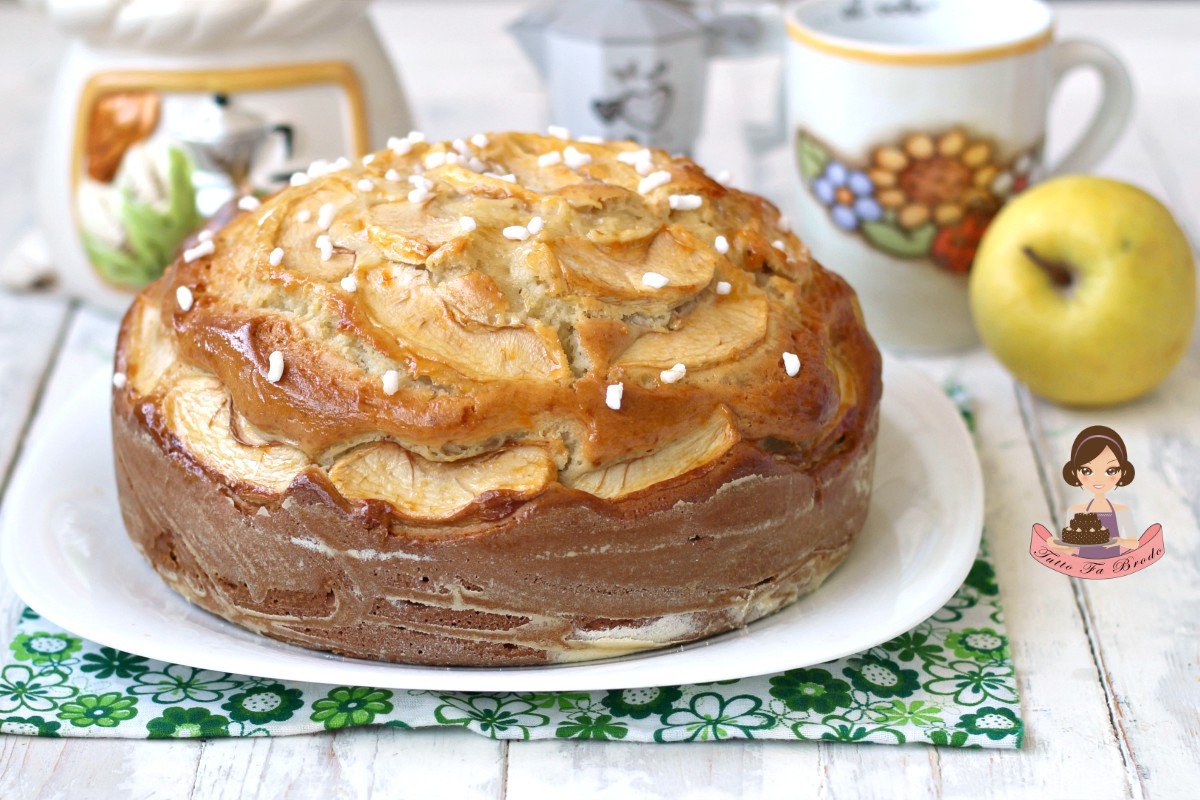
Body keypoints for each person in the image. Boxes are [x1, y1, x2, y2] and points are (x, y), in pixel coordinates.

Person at [1052, 425, 1142, 558]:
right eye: (1087, 471)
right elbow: (1071, 548)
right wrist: (1056, 545)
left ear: (1123, 471)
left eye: (1110, 471)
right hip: (1084, 567)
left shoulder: (1122, 511)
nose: (1098, 479)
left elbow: (1134, 543)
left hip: (1114, 566)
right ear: (1074, 472)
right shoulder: (1075, 511)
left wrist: (1120, 541)